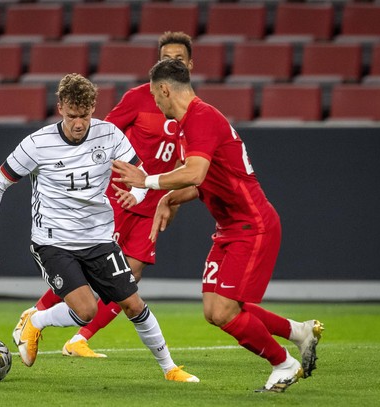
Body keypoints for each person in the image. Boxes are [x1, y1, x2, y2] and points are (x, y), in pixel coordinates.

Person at [0, 73, 199, 383]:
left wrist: (137, 193)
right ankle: (36, 321)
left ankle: (170, 369)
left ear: (93, 109)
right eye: (73, 116)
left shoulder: (109, 134)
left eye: (85, 116)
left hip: (99, 239)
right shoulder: (37, 144)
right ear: (60, 107)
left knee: (133, 303)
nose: (79, 123)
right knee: (87, 310)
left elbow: (140, 174)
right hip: (53, 242)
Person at [112, 59, 324, 393]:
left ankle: (283, 363)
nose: (155, 102)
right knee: (215, 310)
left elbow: (194, 172)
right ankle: (300, 332)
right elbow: (200, 183)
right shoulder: (189, 124)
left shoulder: (202, 118)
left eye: (155, 96)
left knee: (226, 310)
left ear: (165, 89)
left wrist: (148, 181)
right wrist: (170, 199)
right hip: (229, 228)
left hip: (252, 225)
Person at [26, 32, 194, 358]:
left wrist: (171, 199)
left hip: (151, 199)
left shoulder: (193, 109)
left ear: (190, 64)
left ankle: (79, 338)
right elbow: (100, 133)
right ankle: (33, 316)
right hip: (119, 195)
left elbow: (187, 161)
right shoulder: (138, 98)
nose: (172, 63)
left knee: (130, 277)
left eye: (179, 59)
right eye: (166, 58)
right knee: (91, 270)